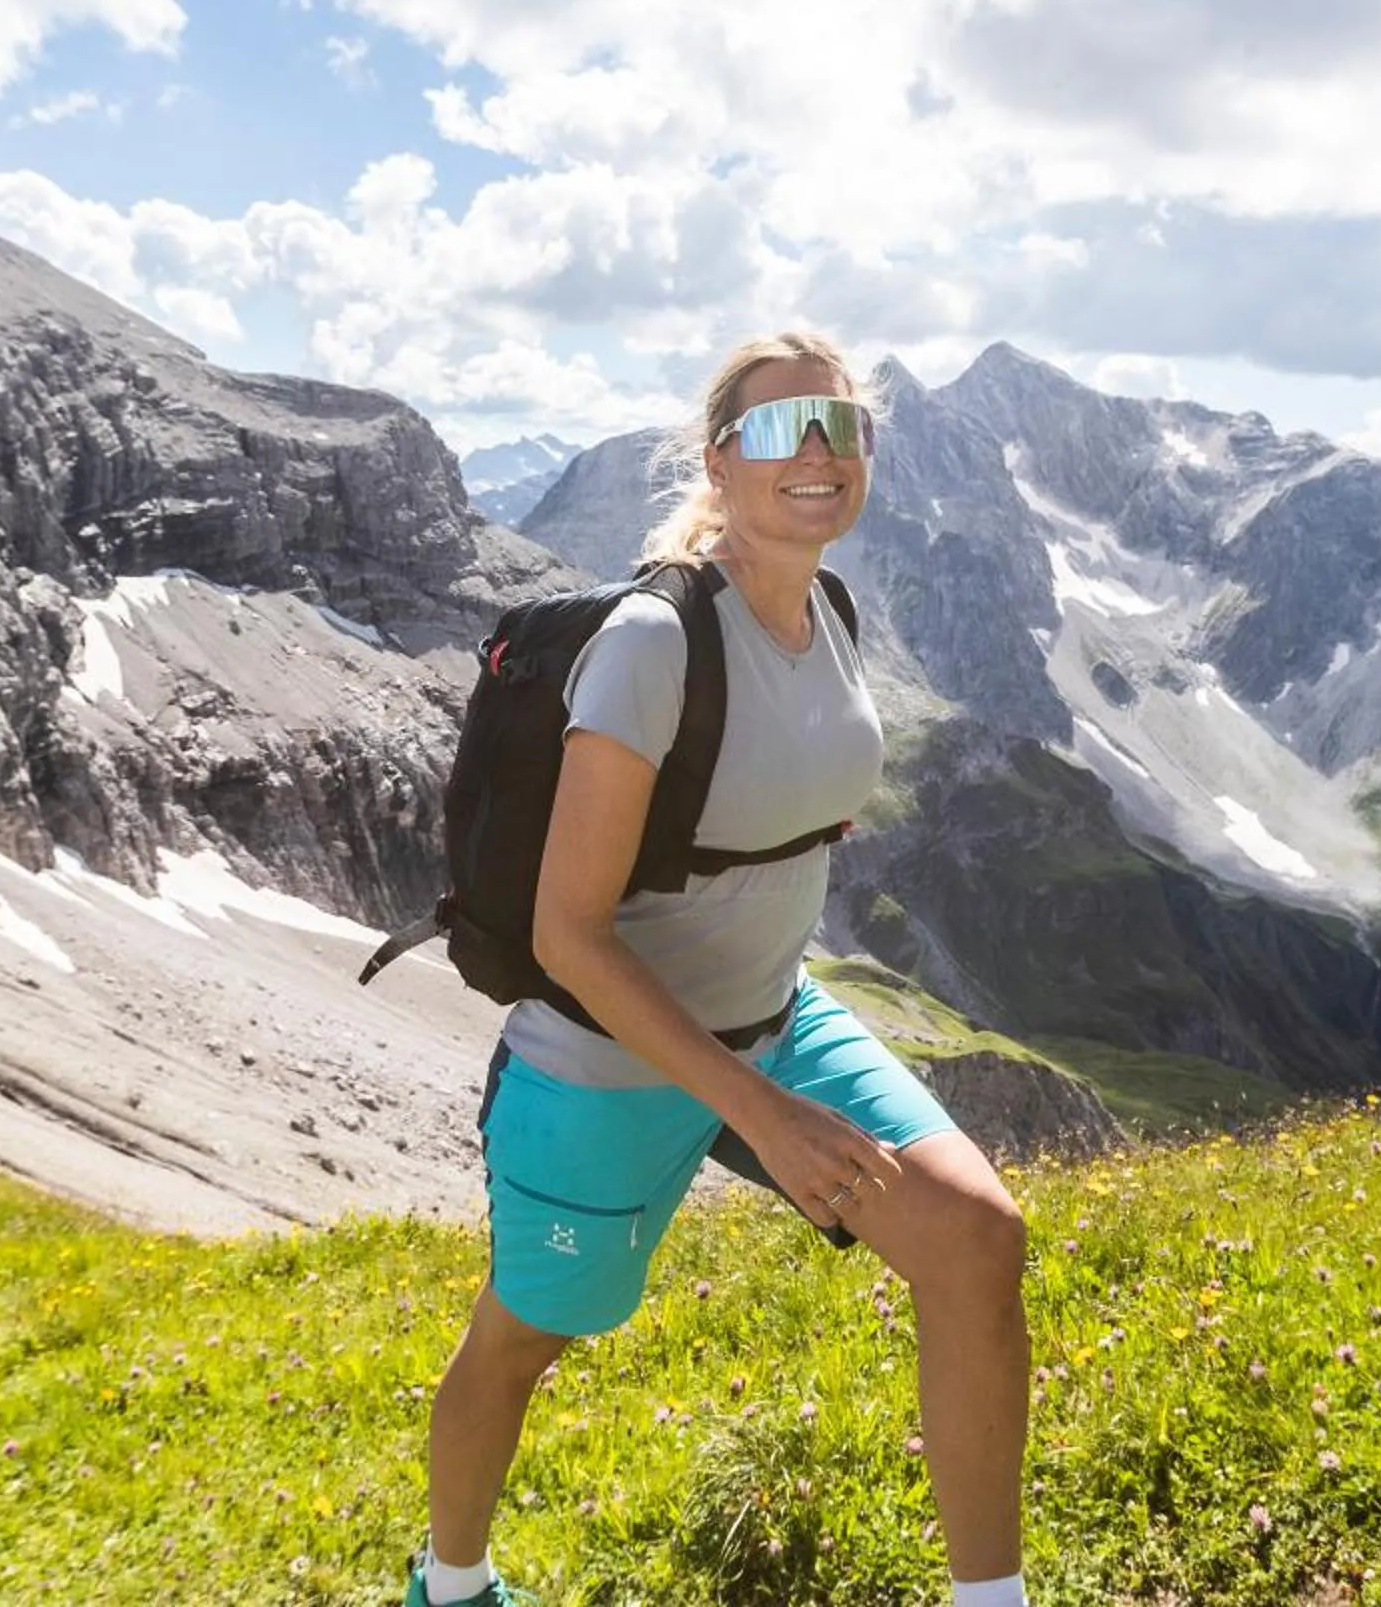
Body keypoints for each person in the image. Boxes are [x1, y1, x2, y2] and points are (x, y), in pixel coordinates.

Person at [408, 332, 1034, 1607]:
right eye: (782, 428)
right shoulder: (653, 640)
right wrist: (764, 1113)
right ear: (719, 461)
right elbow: (569, 931)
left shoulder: (831, 610)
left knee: (977, 1240)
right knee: (525, 1337)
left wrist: (768, 1070)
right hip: (605, 1060)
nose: (819, 451)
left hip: (775, 1020)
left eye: (842, 427)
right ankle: (451, 1582)